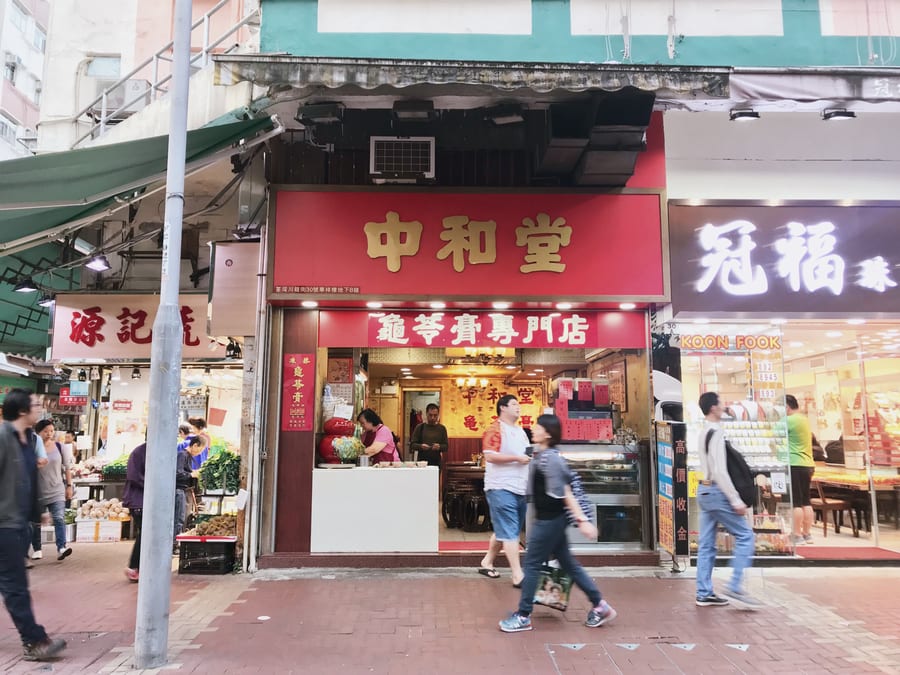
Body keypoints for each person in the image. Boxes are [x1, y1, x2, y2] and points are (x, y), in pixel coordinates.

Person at [499, 413, 616, 633]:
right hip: (551, 519)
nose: (533, 429)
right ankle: (600, 605)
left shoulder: (550, 458)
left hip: (550, 521)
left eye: (538, 426)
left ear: (548, 433)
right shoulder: (542, 454)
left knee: (532, 564)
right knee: (569, 564)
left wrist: (582, 520)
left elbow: (565, 492)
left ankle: (523, 615)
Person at [0, 388, 67, 660]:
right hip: (4, 524)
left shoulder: (25, 438)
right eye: (36, 405)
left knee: (14, 584)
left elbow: (27, 479)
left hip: (16, 523)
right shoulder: (3, 438)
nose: (40, 409)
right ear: (23, 410)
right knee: (15, 586)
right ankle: (34, 640)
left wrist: (37, 511)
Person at [695, 392, 761, 610]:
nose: (724, 406)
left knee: (706, 545)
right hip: (716, 492)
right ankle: (734, 585)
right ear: (713, 408)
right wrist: (735, 500)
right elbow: (720, 471)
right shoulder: (716, 432)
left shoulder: (703, 431)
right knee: (745, 535)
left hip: (704, 491)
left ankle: (704, 593)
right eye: (720, 403)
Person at [477, 395, 530, 587]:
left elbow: (526, 455)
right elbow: (490, 457)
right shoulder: (494, 428)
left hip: (520, 487)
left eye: (519, 404)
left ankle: (487, 562)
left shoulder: (521, 431)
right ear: (503, 408)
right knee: (510, 530)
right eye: (514, 404)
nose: (519, 407)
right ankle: (517, 574)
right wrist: (517, 459)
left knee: (507, 530)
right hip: (500, 486)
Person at [30, 420, 73, 562]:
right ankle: (37, 548)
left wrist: (69, 486)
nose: (49, 434)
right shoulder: (32, 448)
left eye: (51, 431)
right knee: (36, 522)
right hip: (38, 491)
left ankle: (61, 547)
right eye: (45, 431)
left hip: (57, 489)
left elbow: (67, 468)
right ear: (38, 433)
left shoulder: (60, 447)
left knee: (59, 517)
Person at [785, 394, 815, 546]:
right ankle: (807, 533)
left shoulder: (788, 420)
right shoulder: (804, 419)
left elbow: (770, 434)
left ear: (787, 407)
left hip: (794, 463)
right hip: (808, 463)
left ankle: (796, 534)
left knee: (796, 502)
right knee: (806, 501)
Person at [174, 436, 203, 552]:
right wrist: (191, 475)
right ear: (195, 445)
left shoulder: (188, 457)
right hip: (178, 490)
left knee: (181, 517)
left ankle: (176, 543)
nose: (199, 453)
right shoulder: (182, 455)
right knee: (179, 518)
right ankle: (175, 545)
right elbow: (178, 473)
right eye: (200, 450)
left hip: (183, 490)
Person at [122, 441, 146, 582]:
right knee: (145, 533)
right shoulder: (139, 452)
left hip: (146, 500)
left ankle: (138, 567)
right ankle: (134, 567)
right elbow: (133, 476)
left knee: (146, 533)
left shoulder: (156, 451)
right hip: (138, 501)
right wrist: (150, 483)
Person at [409, 403, 448, 467]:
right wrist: (421, 446)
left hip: (436, 462)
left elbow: (446, 447)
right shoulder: (420, 427)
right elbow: (412, 445)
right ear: (426, 414)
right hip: (422, 463)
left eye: (435, 415)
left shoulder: (442, 428)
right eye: (430, 415)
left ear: (438, 415)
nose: (433, 418)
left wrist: (439, 447)